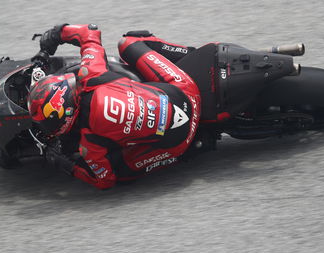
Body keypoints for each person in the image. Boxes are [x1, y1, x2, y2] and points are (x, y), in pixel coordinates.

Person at [28, 23, 201, 189]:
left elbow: (104, 181)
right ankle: (190, 56)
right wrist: (56, 34)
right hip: (187, 90)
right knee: (129, 42)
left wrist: (65, 164)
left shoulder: (89, 144)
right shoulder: (92, 74)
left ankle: (182, 154)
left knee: (120, 174)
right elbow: (90, 31)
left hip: (180, 143)